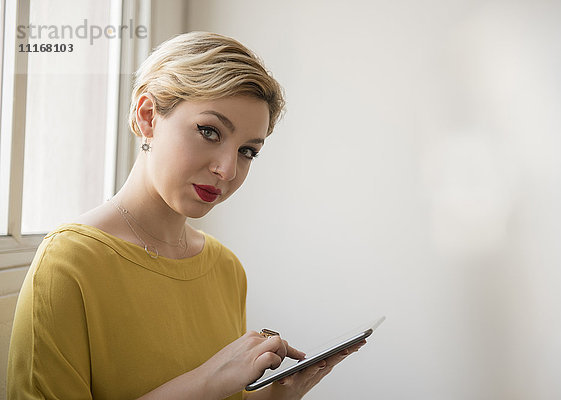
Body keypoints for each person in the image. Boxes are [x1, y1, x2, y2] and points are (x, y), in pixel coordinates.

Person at [7, 31, 364, 399]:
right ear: (147, 117)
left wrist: (277, 395)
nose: (227, 169)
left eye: (247, 151)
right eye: (209, 132)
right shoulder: (68, 264)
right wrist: (208, 379)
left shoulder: (226, 268)